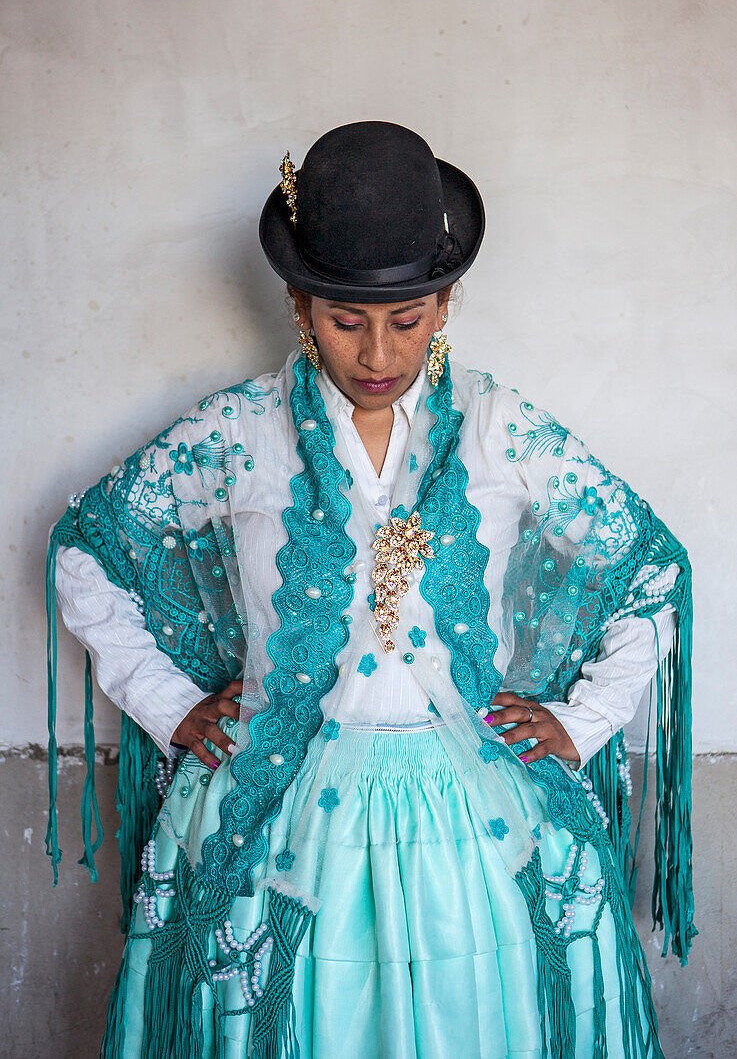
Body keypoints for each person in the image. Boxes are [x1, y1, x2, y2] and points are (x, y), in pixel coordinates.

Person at [47, 121, 694, 1059]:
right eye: (346, 321)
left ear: (445, 303)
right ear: (299, 305)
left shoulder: (499, 429)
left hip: (469, 811)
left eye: (410, 318)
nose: (378, 352)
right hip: (285, 805)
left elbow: (651, 568)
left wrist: (582, 722)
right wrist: (169, 703)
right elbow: (88, 549)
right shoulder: (241, 431)